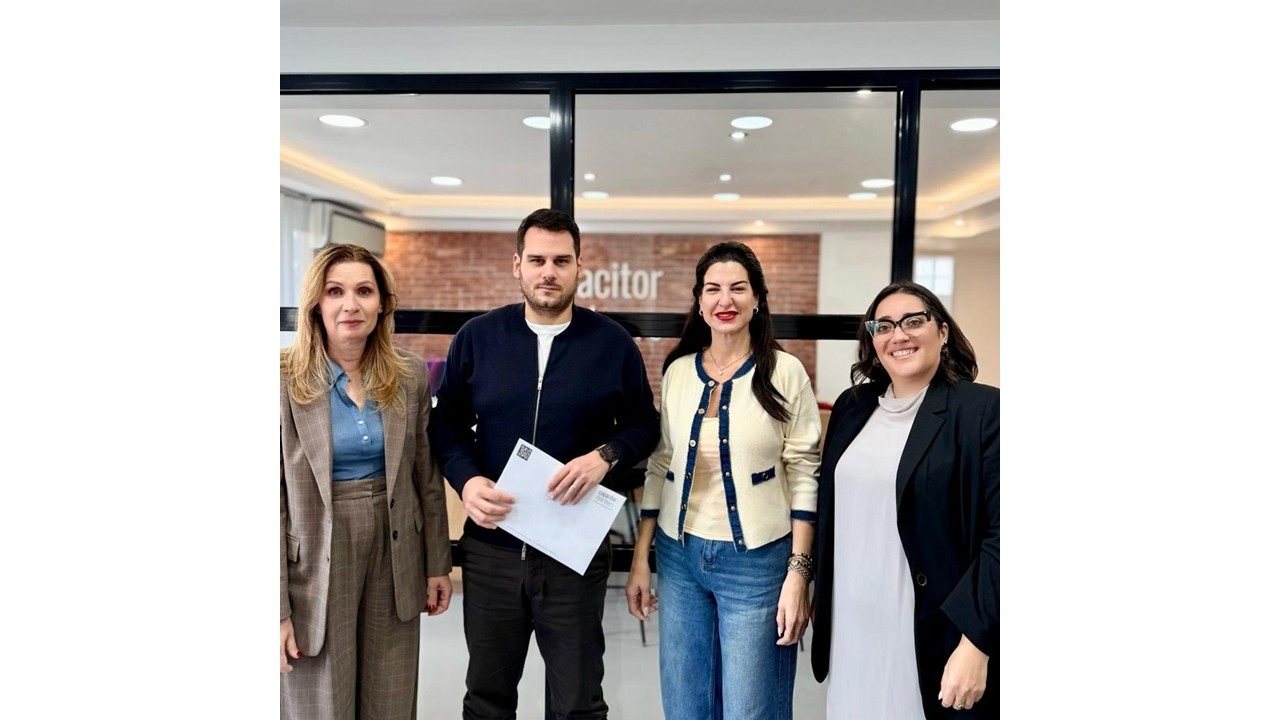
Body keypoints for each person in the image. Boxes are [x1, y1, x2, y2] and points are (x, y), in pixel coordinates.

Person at [428, 208, 661, 720]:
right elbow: (445, 427)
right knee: (486, 701)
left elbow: (646, 426)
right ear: (517, 265)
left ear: (580, 267)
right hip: (492, 548)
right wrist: (467, 482)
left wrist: (605, 456)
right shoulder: (477, 338)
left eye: (561, 260)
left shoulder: (612, 344)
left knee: (578, 704)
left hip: (574, 551)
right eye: (537, 260)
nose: (548, 272)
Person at [624, 241, 821, 720]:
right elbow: (660, 465)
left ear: (757, 299)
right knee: (684, 705)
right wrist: (641, 559)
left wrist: (798, 573)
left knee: (750, 709)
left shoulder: (785, 372)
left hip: (757, 562)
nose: (724, 300)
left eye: (738, 288)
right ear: (699, 301)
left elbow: (804, 472)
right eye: (712, 289)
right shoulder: (678, 372)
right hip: (679, 556)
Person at [810, 280, 999, 719]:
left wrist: (977, 641)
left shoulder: (982, 411)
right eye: (884, 326)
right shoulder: (852, 407)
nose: (899, 335)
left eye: (913, 321)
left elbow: (1002, 536)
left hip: (933, 633)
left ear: (943, 332)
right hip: (851, 627)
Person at [280, 243, 454, 719]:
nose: (350, 305)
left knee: (389, 698)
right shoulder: (281, 379)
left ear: (382, 304)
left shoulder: (409, 374)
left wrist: (437, 563)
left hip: (395, 551)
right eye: (335, 292)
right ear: (315, 304)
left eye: (364, 291)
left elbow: (425, 475)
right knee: (322, 701)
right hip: (314, 556)